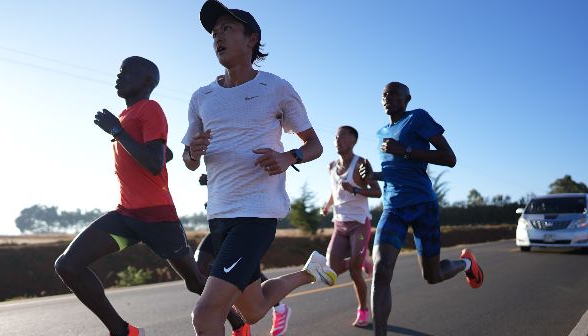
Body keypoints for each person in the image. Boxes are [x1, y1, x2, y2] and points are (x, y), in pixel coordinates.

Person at [182, 2, 337, 335]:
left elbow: (314, 145)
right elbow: (189, 160)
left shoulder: (275, 88)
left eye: (227, 29)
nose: (217, 38)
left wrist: (288, 157)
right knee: (252, 310)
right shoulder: (201, 96)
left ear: (251, 39)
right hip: (219, 213)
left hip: (256, 213)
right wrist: (193, 153)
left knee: (206, 314)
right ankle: (310, 272)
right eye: (213, 33)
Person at [54, 56, 204, 336]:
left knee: (195, 281)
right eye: (118, 72)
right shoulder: (126, 117)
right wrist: (125, 132)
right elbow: (161, 154)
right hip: (126, 215)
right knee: (68, 265)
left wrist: (116, 131)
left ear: (147, 81)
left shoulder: (151, 109)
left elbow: (154, 162)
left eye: (126, 72)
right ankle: (123, 332)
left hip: (158, 217)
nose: (118, 76)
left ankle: (239, 323)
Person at [359, 82, 484, 336]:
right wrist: (374, 174)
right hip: (392, 208)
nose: (387, 98)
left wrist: (404, 150)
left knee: (433, 275)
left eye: (394, 94)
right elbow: (396, 171)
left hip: (423, 206)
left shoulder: (418, 117)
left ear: (407, 98)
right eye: (384, 95)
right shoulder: (381, 132)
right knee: (381, 271)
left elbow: (450, 158)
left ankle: (466, 264)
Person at [195, 174, 292, 336]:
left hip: (248, 216)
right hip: (220, 218)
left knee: (241, 268)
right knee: (202, 266)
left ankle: (278, 308)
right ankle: (238, 320)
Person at [320, 125, 382, 328]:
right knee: (331, 271)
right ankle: (361, 260)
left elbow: (377, 192)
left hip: (359, 224)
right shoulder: (331, 166)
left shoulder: (361, 163)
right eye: (336, 137)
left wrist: (355, 189)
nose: (338, 140)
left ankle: (363, 311)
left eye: (343, 136)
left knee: (355, 273)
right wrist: (327, 206)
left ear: (353, 141)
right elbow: (334, 190)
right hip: (340, 223)